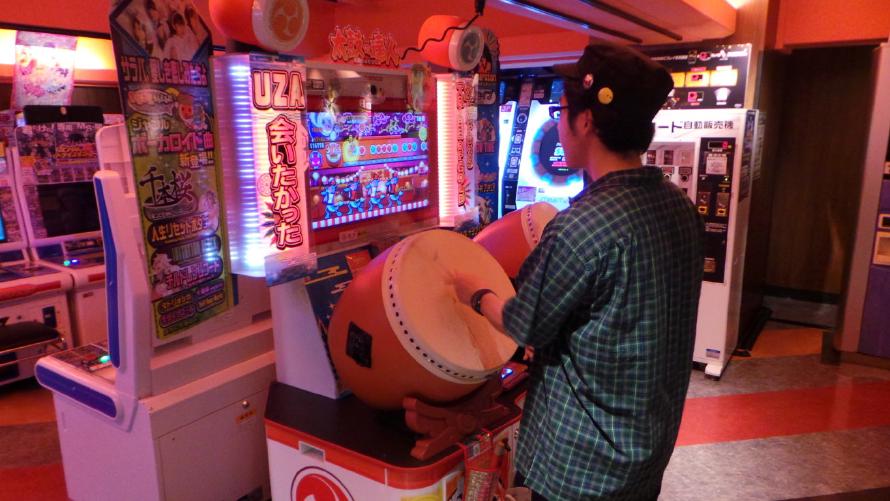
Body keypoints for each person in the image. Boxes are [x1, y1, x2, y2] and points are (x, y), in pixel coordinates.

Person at [454, 41, 704, 500]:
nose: (558, 121)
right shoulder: (679, 207)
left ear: (586, 120)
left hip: (581, 465)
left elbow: (525, 323)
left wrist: (474, 293)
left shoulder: (583, 226)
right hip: (646, 448)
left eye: (562, 109)